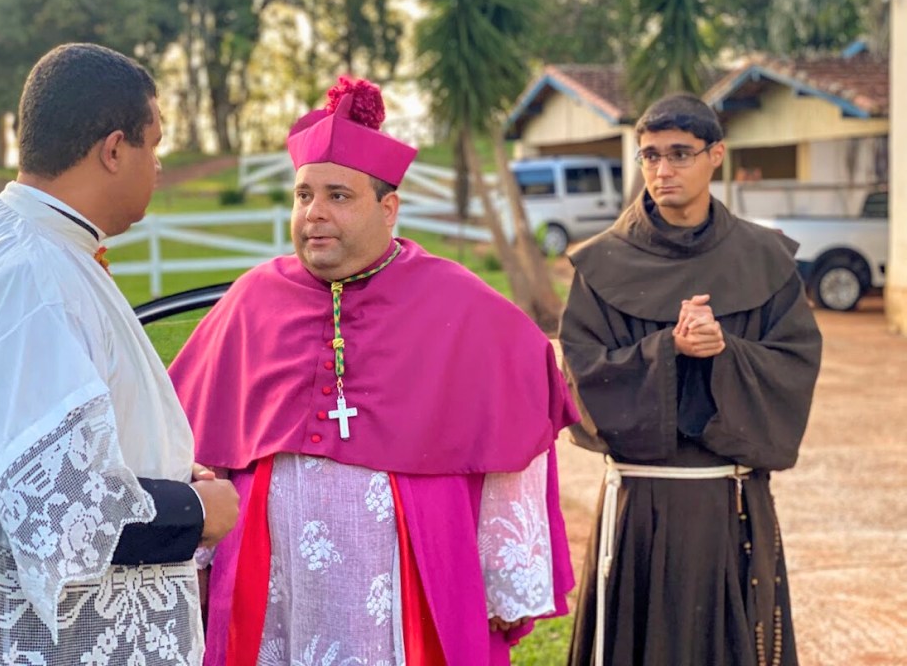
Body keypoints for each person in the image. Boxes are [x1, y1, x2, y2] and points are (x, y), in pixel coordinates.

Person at [169, 76, 579, 665]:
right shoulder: (251, 299)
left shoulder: (462, 305)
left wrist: (504, 571)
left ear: (388, 208)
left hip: (410, 580)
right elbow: (191, 442)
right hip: (274, 582)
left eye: (339, 196)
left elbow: (517, 420)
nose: (314, 213)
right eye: (303, 194)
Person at [0, 43, 240, 666]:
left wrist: (159, 473)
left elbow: (38, 452)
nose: (158, 167)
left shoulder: (16, 240)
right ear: (113, 149)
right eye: (152, 145)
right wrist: (198, 511)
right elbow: (62, 514)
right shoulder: (32, 275)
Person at [559, 93, 823, 666]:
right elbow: (579, 375)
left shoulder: (765, 258)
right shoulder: (601, 263)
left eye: (680, 153)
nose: (662, 170)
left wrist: (724, 352)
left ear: (716, 156)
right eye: (649, 156)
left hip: (729, 503)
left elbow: (795, 364)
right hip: (639, 504)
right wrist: (667, 351)